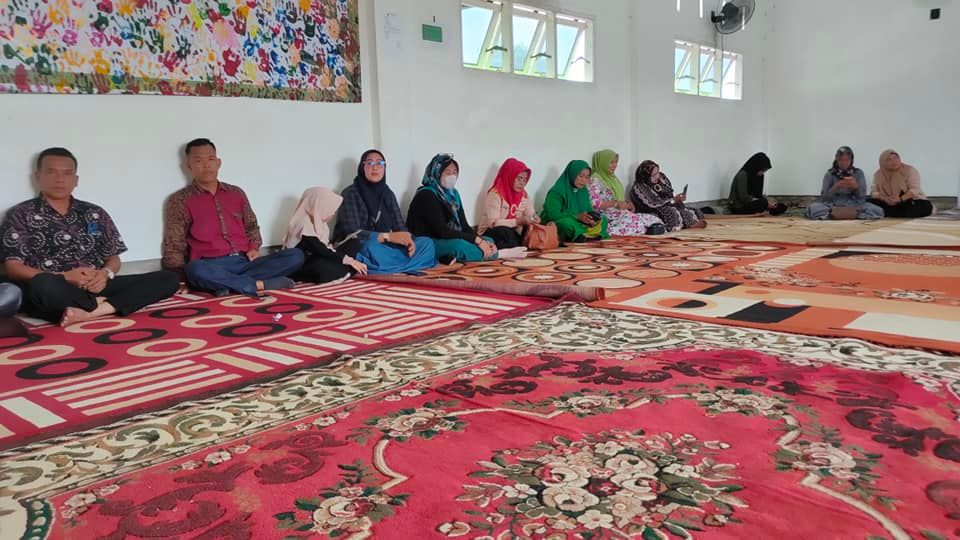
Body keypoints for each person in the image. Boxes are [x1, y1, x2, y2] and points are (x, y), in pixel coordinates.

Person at [1, 147, 179, 326]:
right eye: (51, 172)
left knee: (168, 278)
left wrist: (104, 274)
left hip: (95, 285)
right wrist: (64, 276)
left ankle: (92, 311)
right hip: (55, 286)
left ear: (76, 180)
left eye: (67, 173)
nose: (60, 179)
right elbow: (12, 268)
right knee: (41, 285)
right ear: (37, 177)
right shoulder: (20, 214)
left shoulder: (94, 212)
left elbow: (113, 258)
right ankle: (106, 305)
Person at [162, 138, 304, 296]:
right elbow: (174, 244)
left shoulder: (236, 193)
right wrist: (181, 279)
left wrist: (254, 247)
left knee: (295, 256)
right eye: (198, 161)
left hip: (245, 262)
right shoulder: (180, 200)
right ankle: (258, 284)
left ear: (218, 163)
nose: (206, 165)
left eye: (210, 159)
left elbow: (252, 226)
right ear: (189, 166)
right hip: (210, 264)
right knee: (194, 269)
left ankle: (224, 285)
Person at [407, 154, 526, 263]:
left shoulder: (453, 195)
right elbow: (442, 231)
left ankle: (449, 256)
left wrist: (482, 240)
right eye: (448, 172)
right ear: (437, 173)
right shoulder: (427, 194)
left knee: (488, 239)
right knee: (459, 245)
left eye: (455, 172)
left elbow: (464, 226)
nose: (452, 176)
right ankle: (498, 254)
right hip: (427, 242)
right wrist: (477, 241)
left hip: (446, 238)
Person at [332, 149, 436, 274]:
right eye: (369, 163)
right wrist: (387, 237)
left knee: (427, 243)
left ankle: (389, 267)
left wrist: (409, 241)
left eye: (379, 163)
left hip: (386, 248)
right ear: (362, 167)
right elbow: (351, 232)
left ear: (384, 168)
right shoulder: (350, 193)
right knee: (370, 248)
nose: (375, 167)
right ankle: (407, 265)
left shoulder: (387, 194)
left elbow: (400, 227)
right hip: (361, 245)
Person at [283, 187, 368, 285]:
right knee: (323, 268)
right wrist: (351, 261)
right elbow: (321, 250)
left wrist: (346, 260)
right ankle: (348, 270)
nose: (333, 214)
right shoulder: (302, 224)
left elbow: (327, 249)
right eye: (330, 210)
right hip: (306, 264)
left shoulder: (320, 223)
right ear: (318, 207)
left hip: (320, 256)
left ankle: (345, 271)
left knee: (354, 243)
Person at [589, 150, 665, 235]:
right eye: (611, 162)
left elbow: (617, 198)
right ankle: (648, 229)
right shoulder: (594, 180)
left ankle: (650, 228)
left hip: (619, 212)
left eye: (616, 162)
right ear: (602, 163)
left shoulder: (613, 178)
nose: (614, 165)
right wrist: (616, 204)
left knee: (653, 219)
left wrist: (628, 204)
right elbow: (594, 203)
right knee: (634, 222)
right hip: (606, 215)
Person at [478, 157, 540, 249]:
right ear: (509, 176)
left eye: (525, 180)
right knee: (505, 232)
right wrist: (518, 221)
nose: (522, 183)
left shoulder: (523, 194)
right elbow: (493, 223)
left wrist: (534, 218)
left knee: (528, 229)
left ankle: (517, 246)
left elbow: (531, 213)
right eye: (519, 178)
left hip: (513, 232)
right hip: (491, 232)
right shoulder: (495, 194)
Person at [806, 146, 883, 220]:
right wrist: (836, 187)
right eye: (841, 160)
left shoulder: (858, 173)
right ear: (836, 159)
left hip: (853, 204)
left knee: (877, 210)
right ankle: (850, 214)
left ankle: (837, 215)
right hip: (834, 204)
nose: (844, 163)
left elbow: (862, 198)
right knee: (814, 208)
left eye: (847, 160)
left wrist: (856, 187)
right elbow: (824, 198)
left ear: (851, 160)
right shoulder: (830, 174)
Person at [542, 160, 609, 243]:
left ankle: (583, 235)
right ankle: (584, 234)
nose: (583, 180)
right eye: (581, 176)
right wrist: (576, 216)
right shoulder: (557, 191)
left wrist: (591, 219)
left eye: (587, 177)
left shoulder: (583, 190)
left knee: (603, 219)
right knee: (566, 224)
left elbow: (588, 210)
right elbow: (553, 215)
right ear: (572, 174)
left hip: (579, 222)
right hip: (559, 221)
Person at [630, 160, 707, 231]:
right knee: (671, 212)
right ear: (646, 176)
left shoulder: (661, 178)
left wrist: (678, 199)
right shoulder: (639, 187)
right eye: (653, 175)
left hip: (667, 204)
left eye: (657, 172)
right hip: (652, 210)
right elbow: (653, 204)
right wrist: (673, 200)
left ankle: (688, 223)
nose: (657, 176)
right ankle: (687, 225)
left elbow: (669, 194)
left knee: (695, 211)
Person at [868, 149, 934, 218]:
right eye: (889, 159)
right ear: (883, 162)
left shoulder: (909, 170)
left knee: (925, 207)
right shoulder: (878, 174)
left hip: (909, 201)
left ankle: (888, 212)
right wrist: (885, 199)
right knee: (868, 201)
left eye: (896, 158)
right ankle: (892, 212)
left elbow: (914, 189)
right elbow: (874, 192)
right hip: (888, 202)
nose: (894, 161)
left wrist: (900, 199)